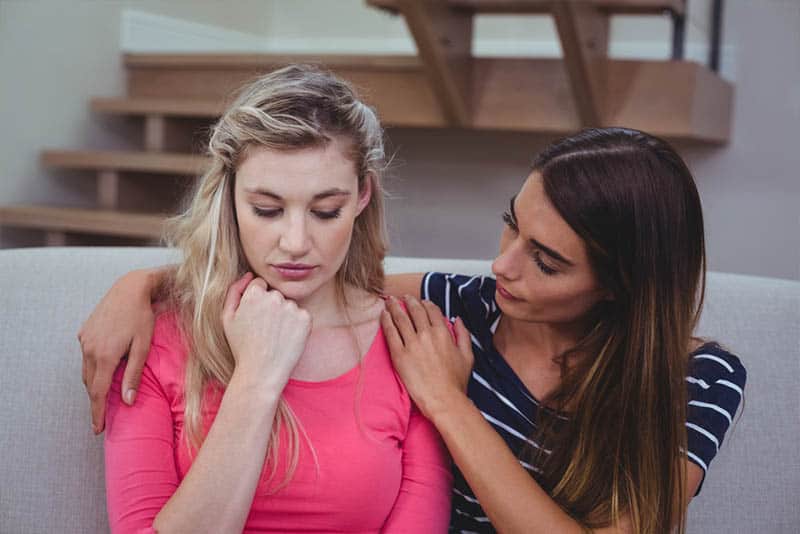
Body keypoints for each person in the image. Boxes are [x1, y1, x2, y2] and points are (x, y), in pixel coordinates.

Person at [81, 127, 745, 533]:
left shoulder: (699, 380)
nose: (501, 265)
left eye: (546, 261)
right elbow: (308, 273)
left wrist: (447, 402)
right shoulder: (469, 302)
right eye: (512, 222)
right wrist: (136, 288)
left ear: (622, 285)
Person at [97, 64, 452, 533]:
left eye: (327, 211)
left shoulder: (413, 344)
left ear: (363, 195)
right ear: (230, 198)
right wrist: (258, 379)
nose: (296, 242)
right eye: (267, 209)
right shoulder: (151, 339)